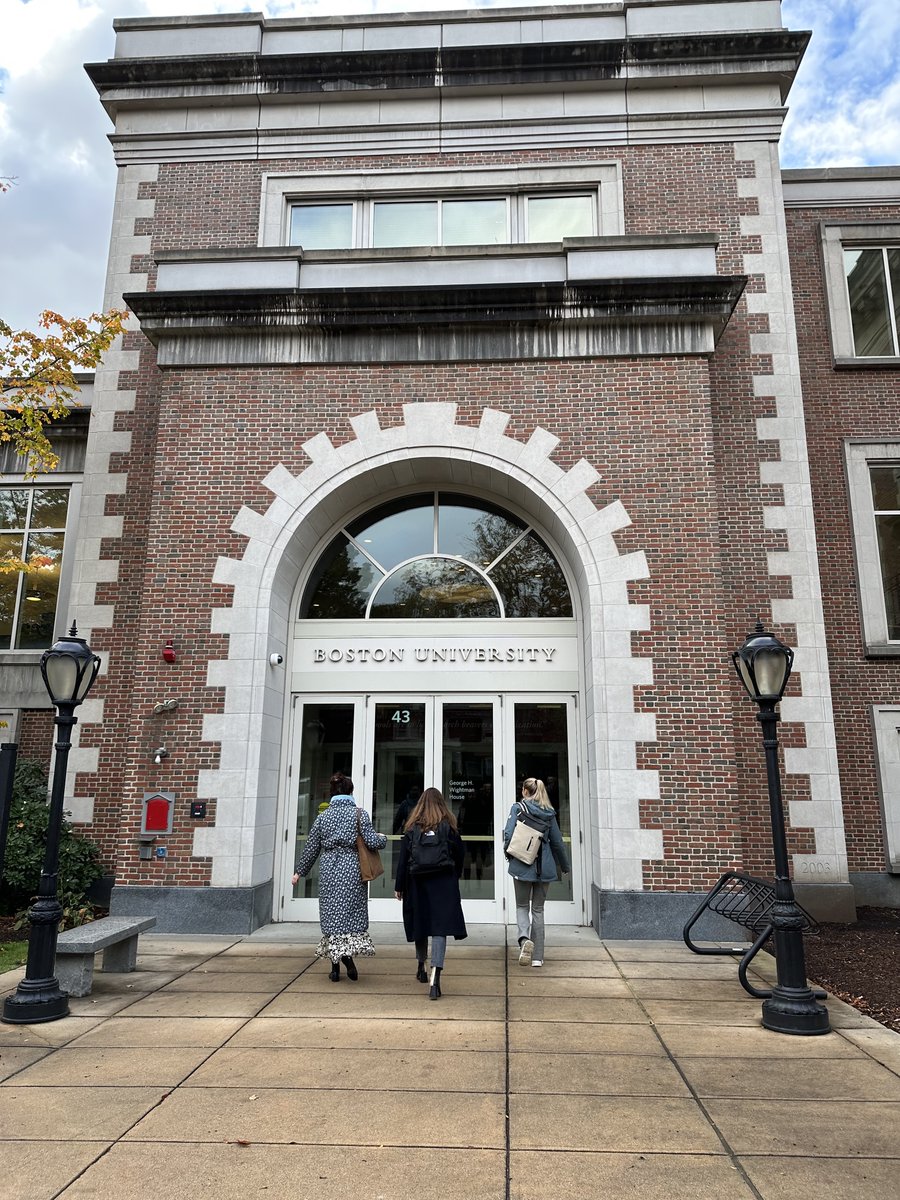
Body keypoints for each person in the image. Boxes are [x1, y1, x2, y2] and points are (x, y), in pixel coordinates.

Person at [292, 772, 387, 982]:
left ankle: (335, 969)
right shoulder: (359, 815)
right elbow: (372, 842)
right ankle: (348, 960)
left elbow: (311, 848)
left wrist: (300, 872)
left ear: (332, 794)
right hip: (353, 872)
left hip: (329, 873)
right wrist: (383, 838)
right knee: (349, 919)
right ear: (351, 792)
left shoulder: (323, 818)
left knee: (333, 919)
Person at [394, 787, 467, 999]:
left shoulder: (412, 828)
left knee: (421, 924)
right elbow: (460, 854)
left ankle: (421, 966)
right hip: (443, 883)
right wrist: (455, 875)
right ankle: (435, 979)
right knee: (439, 929)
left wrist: (399, 886)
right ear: (441, 804)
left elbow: (403, 861)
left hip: (417, 882)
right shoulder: (449, 827)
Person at [503, 777, 569, 968]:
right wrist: (564, 866)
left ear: (524, 791)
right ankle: (538, 957)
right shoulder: (549, 813)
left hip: (522, 865)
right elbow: (557, 843)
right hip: (544, 868)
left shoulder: (518, 808)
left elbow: (508, 834)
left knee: (522, 906)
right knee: (538, 910)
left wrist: (509, 854)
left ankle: (524, 941)